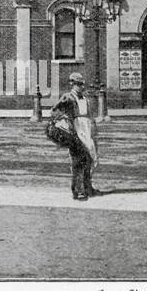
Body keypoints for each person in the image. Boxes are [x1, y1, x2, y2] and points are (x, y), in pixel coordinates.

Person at [53, 72, 99, 200]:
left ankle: (88, 187)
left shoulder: (85, 99)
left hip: (87, 131)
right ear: (72, 84)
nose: (80, 87)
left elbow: (90, 116)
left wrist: (93, 130)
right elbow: (55, 110)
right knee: (78, 161)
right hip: (75, 131)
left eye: (82, 84)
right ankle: (78, 190)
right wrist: (65, 121)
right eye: (78, 84)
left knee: (90, 158)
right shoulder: (68, 97)